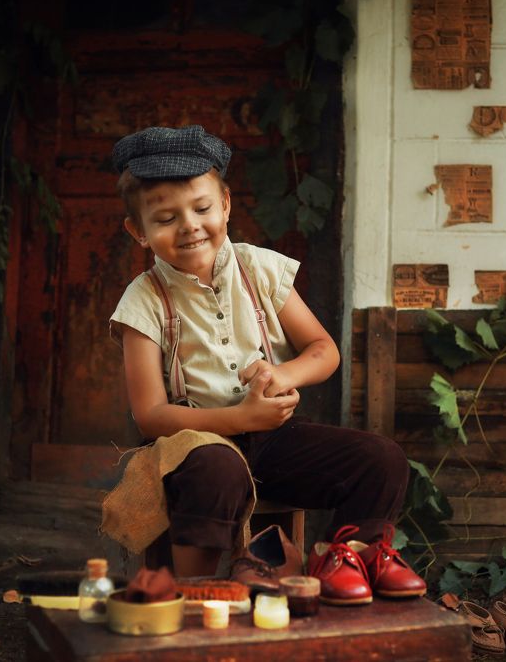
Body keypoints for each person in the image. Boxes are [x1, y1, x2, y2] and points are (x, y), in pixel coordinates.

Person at [102, 125, 425, 604]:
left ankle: (345, 559)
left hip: (274, 441)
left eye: (203, 208)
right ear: (139, 232)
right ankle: (197, 596)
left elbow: (323, 349)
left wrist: (283, 374)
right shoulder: (143, 301)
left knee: (382, 459)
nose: (190, 225)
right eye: (166, 218)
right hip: (192, 449)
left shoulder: (260, 269)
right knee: (217, 467)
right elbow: (150, 415)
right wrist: (237, 419)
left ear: (226, 205)